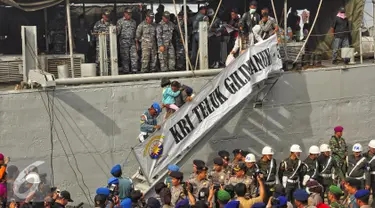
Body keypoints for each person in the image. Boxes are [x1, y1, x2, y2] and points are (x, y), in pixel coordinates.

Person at [117, 9, 138, 74]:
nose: (129, 15)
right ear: (124, 14)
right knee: (125, 57)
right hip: (124, 42)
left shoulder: (133, 22)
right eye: (128, 14)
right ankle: (126, 71)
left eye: (130, 14)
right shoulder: (120, 21)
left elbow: (135, 33)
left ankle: (134, 70)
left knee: (134, 56)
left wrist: (136, 43)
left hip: (132, 42)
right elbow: (117, 33)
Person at [363, 140, 375, 207]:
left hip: (374, 177)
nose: (374, 149)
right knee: (365, 194)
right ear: (369, 147)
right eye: (373, 148)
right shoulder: (364, 155)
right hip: (366, 177)